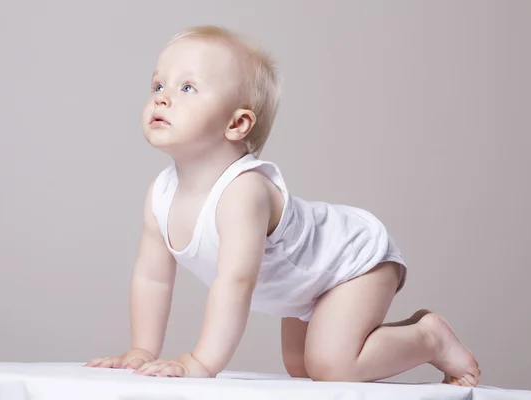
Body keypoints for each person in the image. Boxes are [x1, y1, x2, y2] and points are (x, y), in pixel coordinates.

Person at [85, 25, 481, 387]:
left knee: (332, 367)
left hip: (351, 261)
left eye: (187, 88)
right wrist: (142, 351)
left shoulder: (243, 191)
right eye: (157, 85)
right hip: (304, 284)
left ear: (237, 125)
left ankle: (430, 338)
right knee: (302, 368)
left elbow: (235, 283)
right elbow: (153, 279)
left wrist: (201, 361)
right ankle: (406, 331)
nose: (163, 97)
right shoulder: (160, 194)